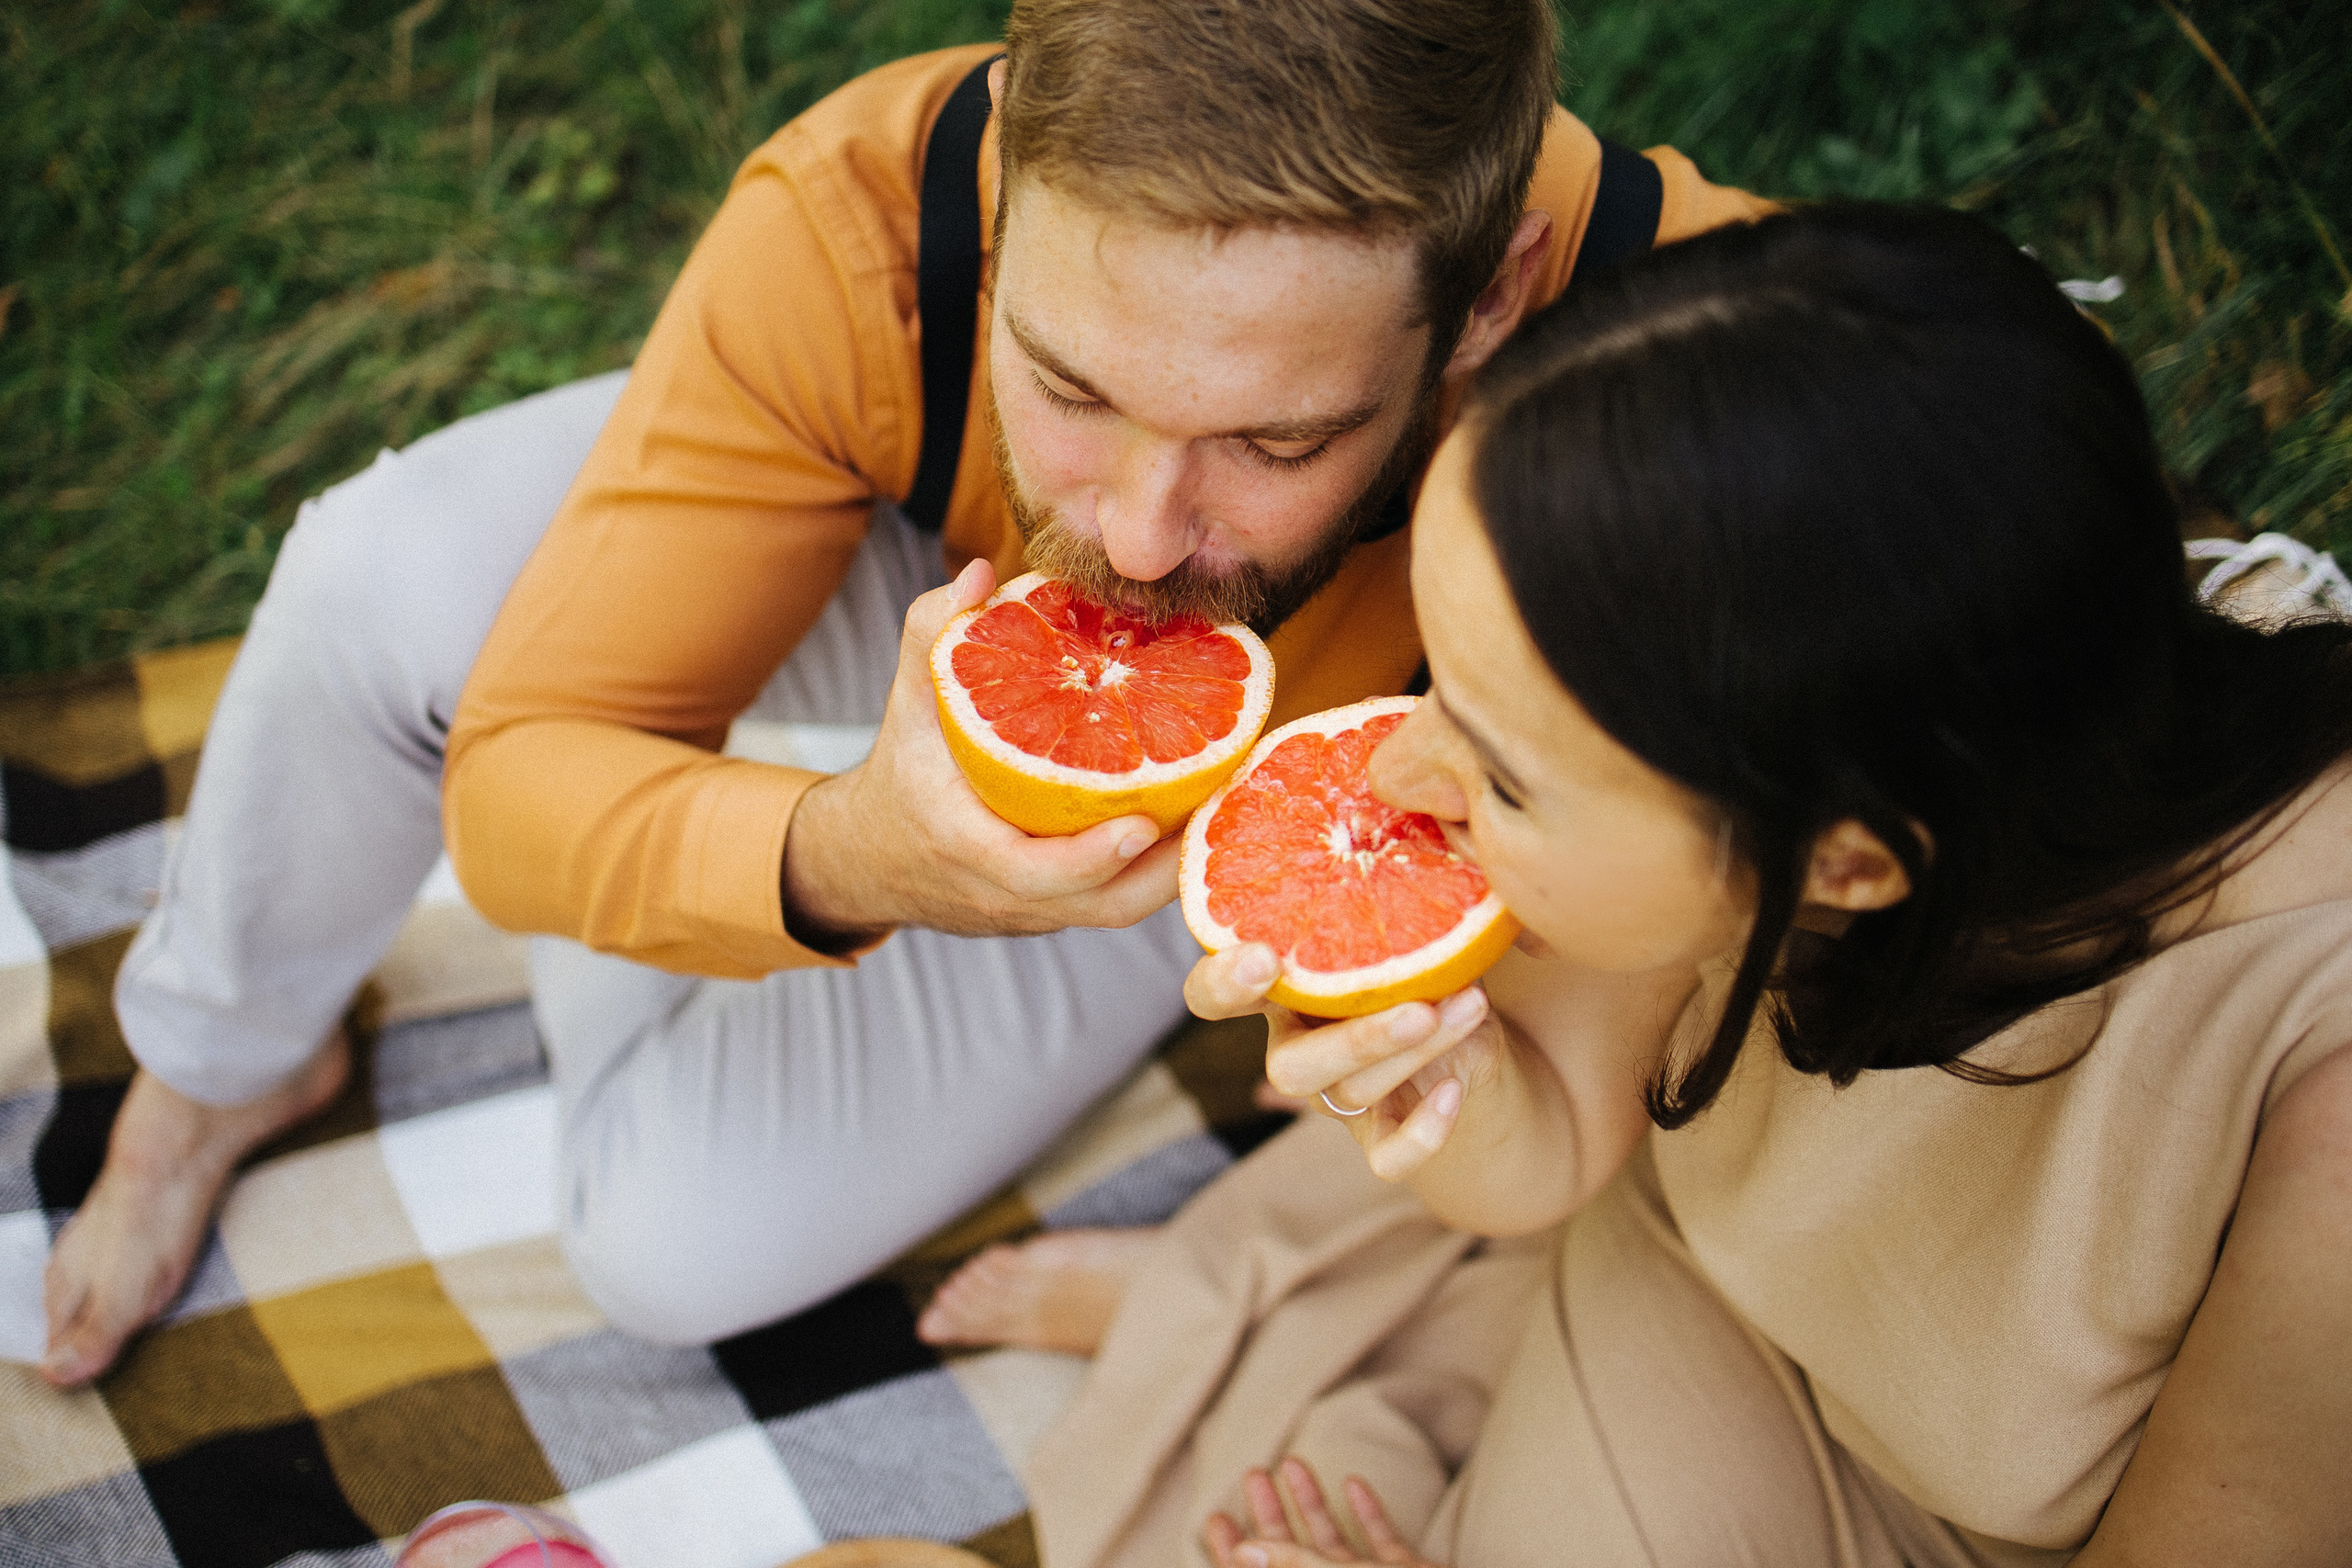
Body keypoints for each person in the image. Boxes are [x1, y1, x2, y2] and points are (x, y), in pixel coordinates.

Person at [39, 0, 1771, 1383]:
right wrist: (855, 847)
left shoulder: (1730, 382)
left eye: (1278, 437)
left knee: (666, 1246)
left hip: (1204, 830)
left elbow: (1596, 1065)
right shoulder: (859, 212)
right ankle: (217, 1067)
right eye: (1073, 384)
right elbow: (507, 806)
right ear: (1008, 195)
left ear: (1493, 306)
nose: (1145, 541)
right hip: (910, 545)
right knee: (375, 578)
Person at [938, 205, 2352, 1565]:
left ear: (1848, 865)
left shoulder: (2321, 1107)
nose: (1390, 778)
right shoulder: (1788, 698)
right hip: (1697, 1277)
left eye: (1501, 774)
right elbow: (1551, 1128)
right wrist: (1462, 1091)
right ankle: (1234, 1296)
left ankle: (1251, 1299)